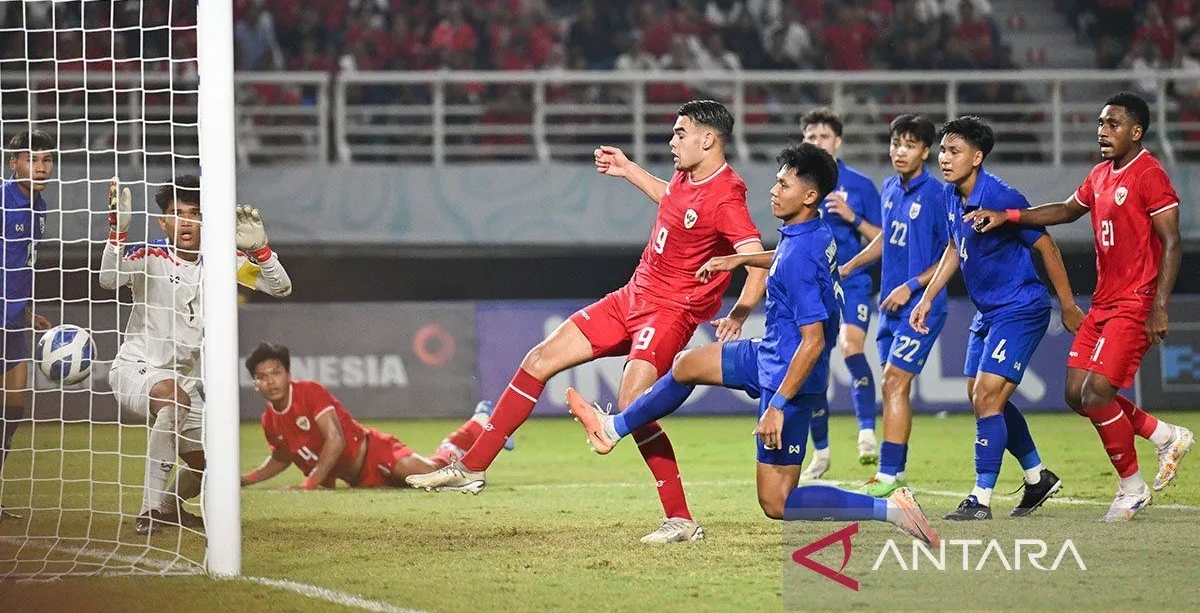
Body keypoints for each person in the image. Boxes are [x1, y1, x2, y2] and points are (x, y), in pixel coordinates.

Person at [407, 100, 768, 545]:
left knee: (634, 401)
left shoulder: (728, 194)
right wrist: (628, 169)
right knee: (539, 358)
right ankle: (473, 466)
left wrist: (739, 312)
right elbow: (675, 202)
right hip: (631, 295)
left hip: (670, 310)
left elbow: (755, 258)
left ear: (707, 139)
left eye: (679, 133)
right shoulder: (686, 177)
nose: (672, 141)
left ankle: (680, 519)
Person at [565, 143, 939, 546]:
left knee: (777, 502)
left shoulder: (800, 259)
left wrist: (777, 407)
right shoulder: (813, 233)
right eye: (776, 182)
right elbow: (787, 256)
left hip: (789, 378)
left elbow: (813, 342)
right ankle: (613, 428)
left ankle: (890, 509)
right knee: (687, 364)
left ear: (810, 196)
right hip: (768, 354)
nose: (774, 190)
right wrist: (739, 260)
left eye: (784, 184)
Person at [965, 92, 1191, 522]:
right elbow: (1066, 211)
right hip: (1103, 300)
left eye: (1114, 124)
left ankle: (1132, 487)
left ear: (1137, 131)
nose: (1103, 131)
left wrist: (1160, 306)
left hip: (1135, 301)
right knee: (1076, 395)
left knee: (1097, 392)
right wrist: (1008, 216)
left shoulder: (1150, 175)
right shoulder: (1101, 173)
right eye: (1101, 123)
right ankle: (1164, 435)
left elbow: (1173, 241)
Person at [910, 117, 1083, 520]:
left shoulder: (1003, 197)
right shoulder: (953, 196)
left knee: (988, 396)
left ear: (978, 156)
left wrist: (1068, 304)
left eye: (954, 151)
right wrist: (927, 295)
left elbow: (1048, 247)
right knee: (983, 397)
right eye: (943, 150)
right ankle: (1038, 476)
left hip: (1021, 308)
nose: (944, 158)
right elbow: (955, 248)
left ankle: (981, 499)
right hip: (989, 313)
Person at [101, 175, 293, 534]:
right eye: (178, 213)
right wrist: (117, 234)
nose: (187, 222)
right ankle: (150, 510)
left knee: (216, 464)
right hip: (136, 369)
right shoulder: (151, 255)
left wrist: (262, 251)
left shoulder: (221, 262)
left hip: (187, 384)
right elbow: (108, 279)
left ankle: (172, 508)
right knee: (174, 399)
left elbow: (281, 288)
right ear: (164, 221)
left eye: (195, 214)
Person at [836, 115, 948, 497]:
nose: (900, 151)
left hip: (922, 305)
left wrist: (912, 286)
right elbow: (887, 239)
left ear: (925, 151)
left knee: (893, 382)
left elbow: (954, 254)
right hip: (890, 307)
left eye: (910, 145)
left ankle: (887, 474)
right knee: (894, 388)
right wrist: (852, 263)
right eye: (896, 143)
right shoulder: (888, 188)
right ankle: (896, 472)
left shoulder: (937, 195)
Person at [242, 342, 505, 489]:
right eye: (262, 377)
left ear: (288, 374)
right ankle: (473, 428)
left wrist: (309, 484)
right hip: (360, 480)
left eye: (276, 373)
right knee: (423, 485)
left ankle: (476, 424)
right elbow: (281, 457)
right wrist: (245, 480)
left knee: (434, 476)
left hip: (376, 452)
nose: (271, 382)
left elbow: (336, 440)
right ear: (255, 383)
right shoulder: (270, 420)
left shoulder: (308, 392)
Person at [798, 108, 882, 474]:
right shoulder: (797, 183)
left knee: (851, 345)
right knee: (814, 364)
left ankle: (866, 432)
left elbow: (884, 238)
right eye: (811, 137)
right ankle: (822, 452)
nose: (818, 142)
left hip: (853, 281)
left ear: (838, 141)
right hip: (815, 286)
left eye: (824, 137)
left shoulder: (860, 185)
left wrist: (852, 217)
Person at [0, 131, 55, 521]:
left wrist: (26, 311)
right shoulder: (3, 198)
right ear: (14, 163)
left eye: (46, 160)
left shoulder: (40, 206)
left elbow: (20, 265)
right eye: (32, 159)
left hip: (14, 320)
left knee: (14, 409)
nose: (41, 167)